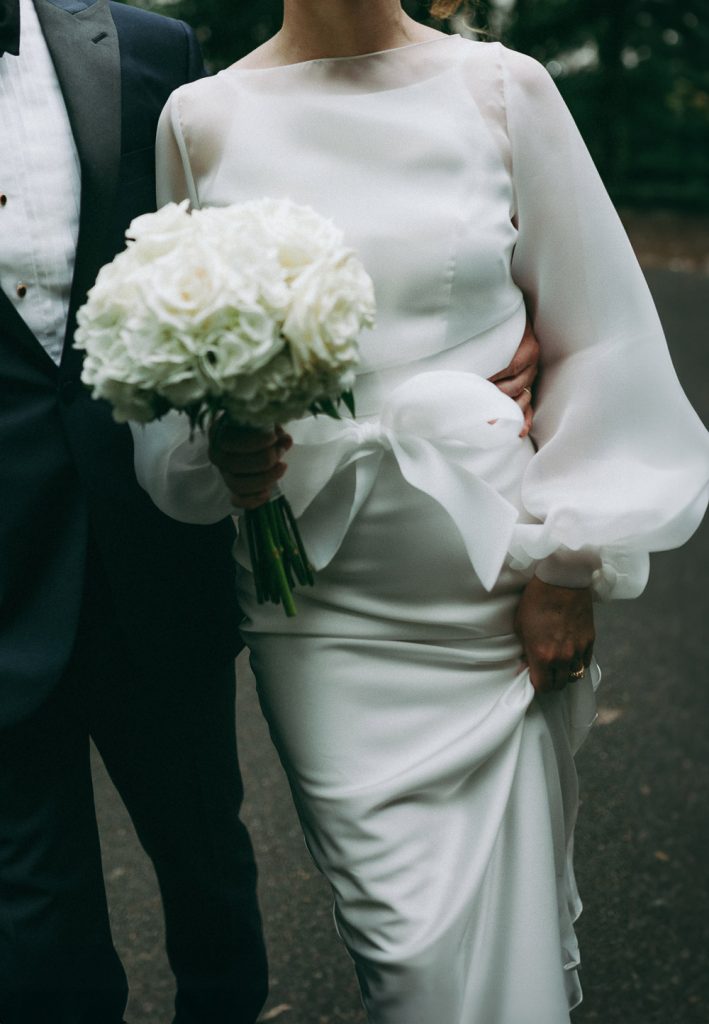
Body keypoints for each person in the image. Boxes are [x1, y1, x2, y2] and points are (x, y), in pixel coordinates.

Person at [131, 1, 709, 1021]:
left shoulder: (503, 90)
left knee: (502, 938)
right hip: (315, 607)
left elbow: (599, 340)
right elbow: (171, 386)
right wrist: (223, 451)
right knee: (405, 953)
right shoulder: (199, 117)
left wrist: (567, 565)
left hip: (488, 586)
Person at [0, 2, 269, 1022]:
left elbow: (226, 256)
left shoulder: (155, 51)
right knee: (36, 934)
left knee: (208, 873)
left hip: (153, 551)